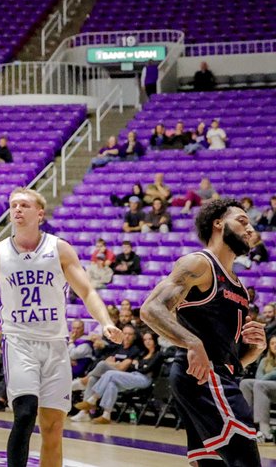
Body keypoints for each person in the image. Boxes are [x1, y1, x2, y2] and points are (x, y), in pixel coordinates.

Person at [0, 189, 122, 467]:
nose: (17, 210)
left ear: (39, 213)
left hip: (56, 344)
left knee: (52, 428)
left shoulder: (58, 248)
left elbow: (86, 291)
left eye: (24, 205)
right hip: (19, 342)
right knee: (25, 414)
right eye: (14, 205)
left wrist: (106, 321)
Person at [141, 199, 266, 466]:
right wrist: (192, 343)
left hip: (218, 375)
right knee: (245, 460)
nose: (250, 229)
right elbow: (151, 309)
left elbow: (231, 359)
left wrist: (254, 350)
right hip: (203, 377)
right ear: (218, 223)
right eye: (242, 221)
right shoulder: (199, 264)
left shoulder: (239, 286)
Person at [78, 330, 162, 424]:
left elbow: (146, 369)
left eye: (150, 339)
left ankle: (93, 399)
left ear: (155, 340)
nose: (147, 341)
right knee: (111, 384)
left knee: (110, 373)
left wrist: (137, 366)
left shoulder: (158, 354)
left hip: (145, 379)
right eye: (145, 339)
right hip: (134, 376)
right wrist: (138, 366)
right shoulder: (143, 353)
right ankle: (106, 415)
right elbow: (133, 366)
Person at [240, 335, 276, 444]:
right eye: (272, 343)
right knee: (245, 383)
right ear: (269, 346)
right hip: (265, 390)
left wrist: (268, 377)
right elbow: (258, 378)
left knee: (260, 385)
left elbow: (262, 381)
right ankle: (246, 425)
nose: (275, 345)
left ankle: (265, 431)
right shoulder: (264, 360)